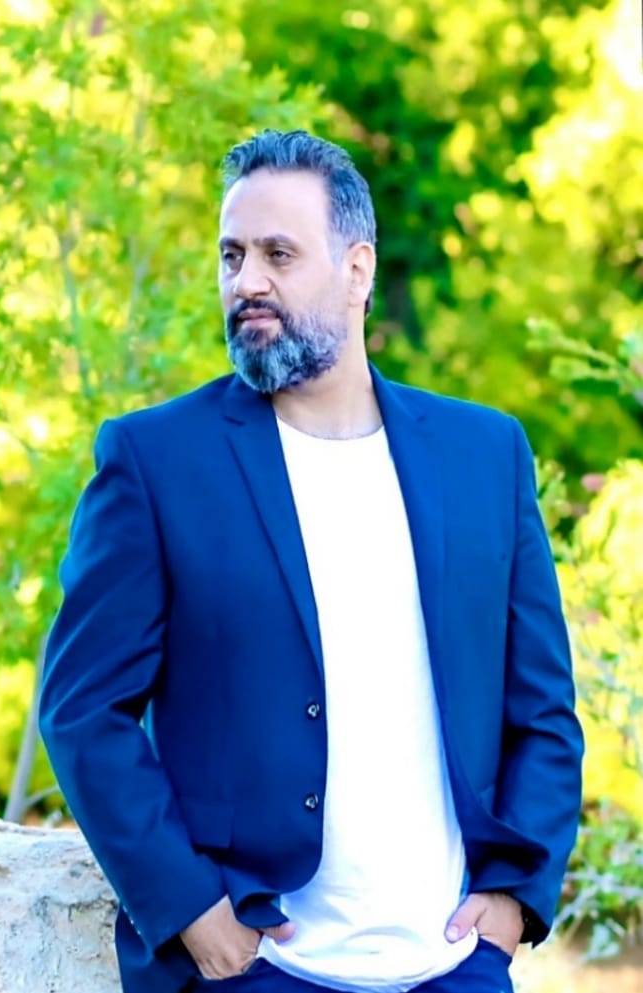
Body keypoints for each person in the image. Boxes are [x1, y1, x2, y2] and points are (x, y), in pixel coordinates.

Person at [39, 130, 584, 993]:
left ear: (358, 270)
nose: (246, 280)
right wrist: (191, 911)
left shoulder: (485, 455)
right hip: (259, 964)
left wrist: (517, 896)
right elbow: (81, 707)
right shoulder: (156, 461)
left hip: (454, 964)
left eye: (278, 254)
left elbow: (543, 708)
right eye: (232, 255)